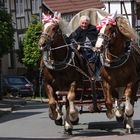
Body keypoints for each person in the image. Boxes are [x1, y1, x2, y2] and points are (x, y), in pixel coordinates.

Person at [69, 15, 101, 80]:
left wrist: (96, 47)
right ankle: (81, 75)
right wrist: (76, 45)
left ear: (88, 23)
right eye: (82, 23)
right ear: (80, 23)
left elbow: (100, 37)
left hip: (93, 50)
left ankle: (98, 73)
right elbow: (71, 39)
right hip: (82, 51)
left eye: (85, 23)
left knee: (99, 56)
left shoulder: (93, 29)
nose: (84, 25)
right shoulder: (77, 31)